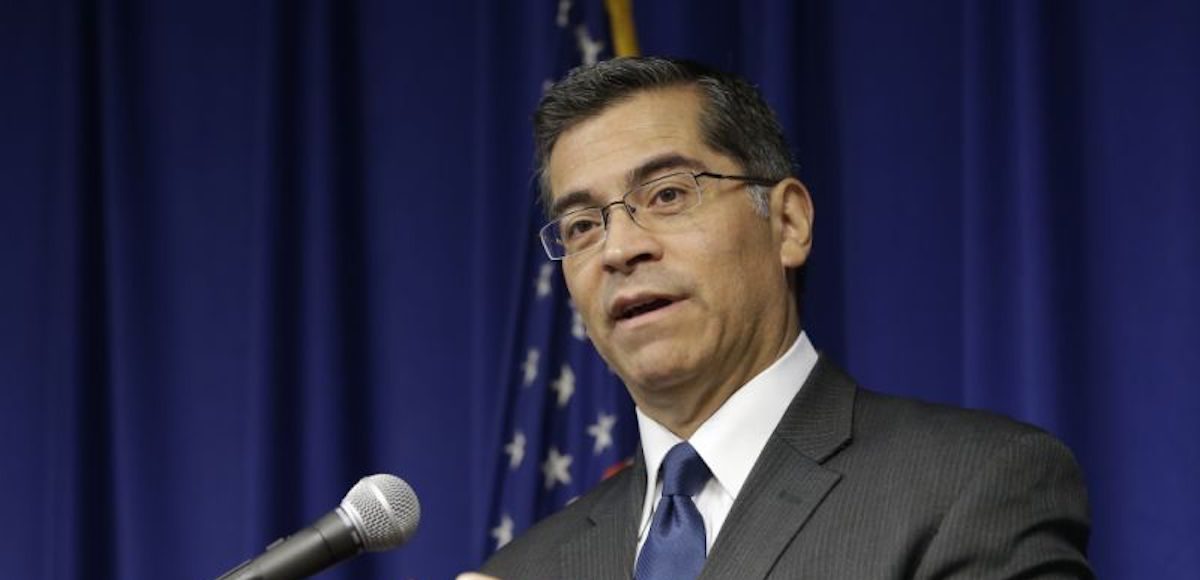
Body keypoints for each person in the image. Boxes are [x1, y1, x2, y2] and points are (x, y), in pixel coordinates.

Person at [463, 57, 1091, 579]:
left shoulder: (973, 486)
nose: (620, 248)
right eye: (581, 225)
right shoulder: (525, 570)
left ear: (787, 223)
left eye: (669, 195)